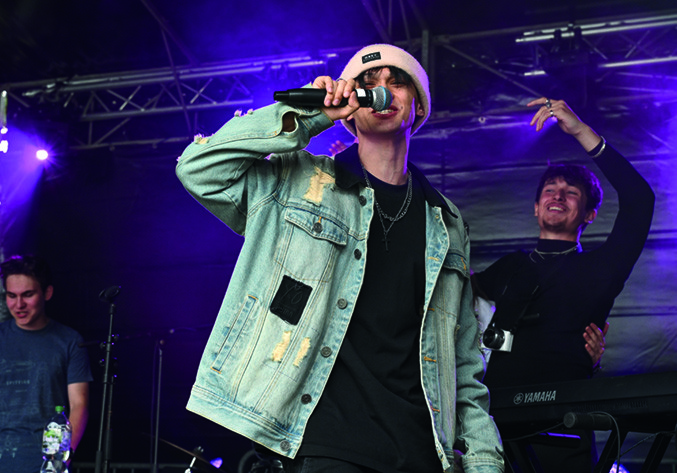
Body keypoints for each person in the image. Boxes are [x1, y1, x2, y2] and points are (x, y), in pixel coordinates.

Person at [176, 44, 504, 472]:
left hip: (421, 451)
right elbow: (199, 168)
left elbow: (463, 362)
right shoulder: (298, 180)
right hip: (330, 444)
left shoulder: (446, 220)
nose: (381, 90)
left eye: (396, 81)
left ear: (417, 104)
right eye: (367, 83)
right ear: (349, 109)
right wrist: (309, 115)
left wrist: (483, 461)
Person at [472, 98, 655, 471]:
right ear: (536, 208)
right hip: (491, 428)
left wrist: (580, 131)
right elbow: (445, 300)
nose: (558, 195)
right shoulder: (509, 267)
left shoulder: (601, 268)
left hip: (562, 429)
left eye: (571, 192)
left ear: (589, 213)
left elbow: (640, 200)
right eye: (550, 190)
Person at [0, 255, 92, 473]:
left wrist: (59, 460)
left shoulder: (70, 341)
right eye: (11, 296)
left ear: (47, 293)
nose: (18, 304)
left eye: (28, 295)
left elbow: (79, 405)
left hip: (47, 465)